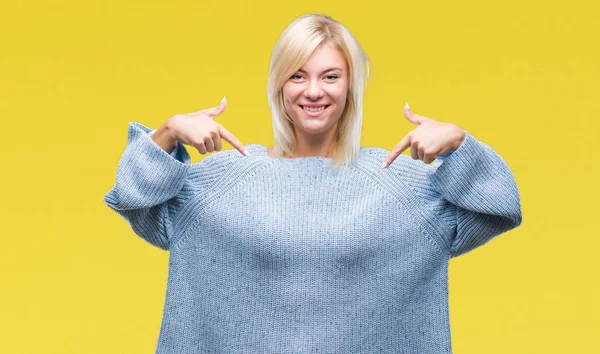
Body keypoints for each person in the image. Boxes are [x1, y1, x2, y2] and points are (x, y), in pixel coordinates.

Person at [104, 13, 522, 354]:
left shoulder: (401, 185)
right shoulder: (224, 181)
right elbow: (137, 202)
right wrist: (167, 133)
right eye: (298, 76)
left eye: (330, 76)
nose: (314, 91)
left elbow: (499, 208)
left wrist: (460, 144)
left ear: (350, 86)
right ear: (279, 86)